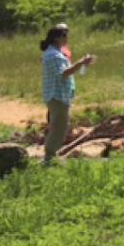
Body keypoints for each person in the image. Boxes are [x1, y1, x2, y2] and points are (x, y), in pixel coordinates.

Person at [40, 26, 95, 163]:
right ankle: (49, 158)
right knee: (59, 128)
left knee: (59, 126)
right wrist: (81, 62)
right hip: (56, 97)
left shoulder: (57, 53)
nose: (66, 38)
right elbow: (63, 74)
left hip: (60, 96)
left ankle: (52, 156)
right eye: (64, 35)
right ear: (56, 38)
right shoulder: (53, 55)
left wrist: (83, 65)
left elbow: (68, 72)